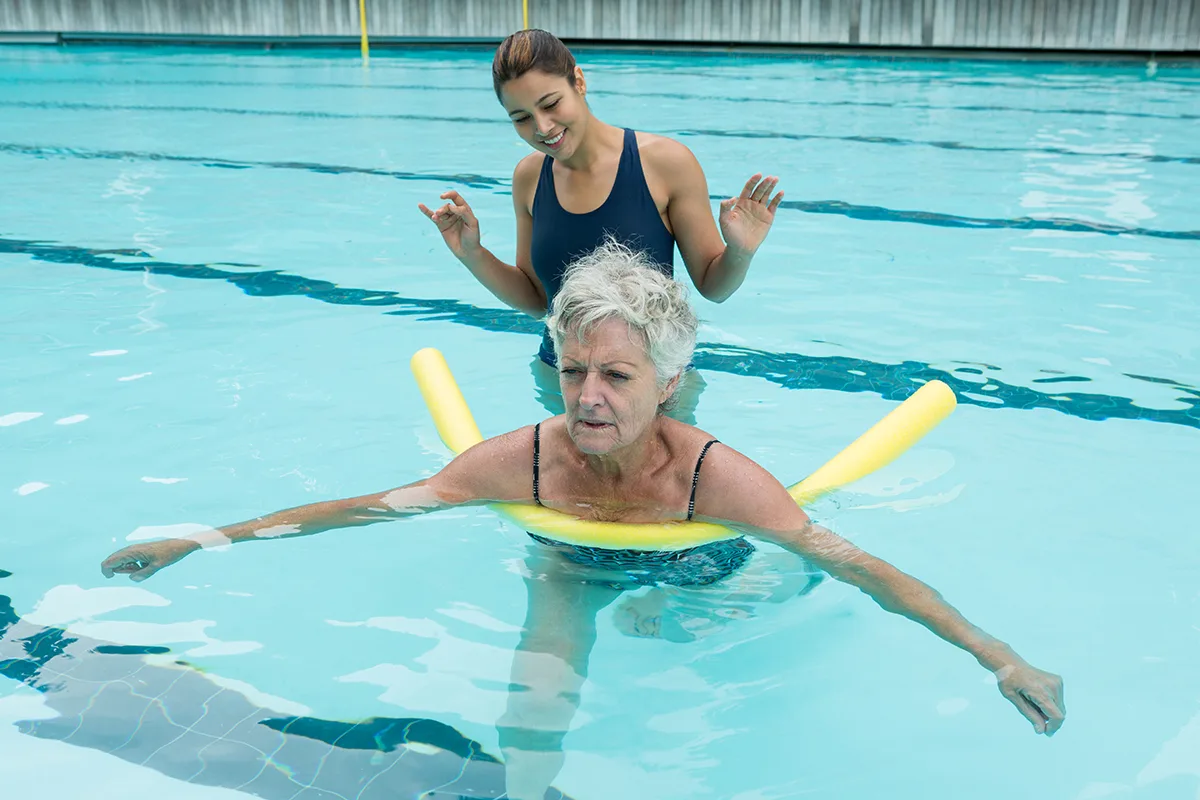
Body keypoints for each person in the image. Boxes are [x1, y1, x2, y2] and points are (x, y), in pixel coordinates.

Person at [102, 243, 1065, 800]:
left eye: (617, 375)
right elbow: (370, 509)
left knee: (742, 597)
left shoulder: (719, 483)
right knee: (540, 679)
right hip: (567, 551)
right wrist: (207, 538)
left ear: (670, 384)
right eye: (572, 372)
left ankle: (678, 618)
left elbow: (864, 569)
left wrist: (999, 657)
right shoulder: (520, 459)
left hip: (705, 561)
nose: (588, 399)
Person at [418, 28, 783, 419]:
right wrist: (472, 254)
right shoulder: (528, 177)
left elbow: (714, 285)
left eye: (551, 103)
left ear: (579, 81)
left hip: (651, 383)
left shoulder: (665, 164)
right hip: (563, 376)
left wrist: (741, 251)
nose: (542, 128)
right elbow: (538, 299)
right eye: (522, 118)